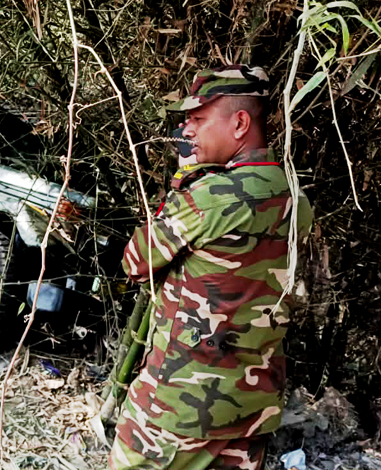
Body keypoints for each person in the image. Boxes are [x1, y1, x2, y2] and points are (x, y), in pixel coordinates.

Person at [110, 65, 314, 470]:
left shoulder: (209, 197)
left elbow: (134, 261)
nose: (187, 131)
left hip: (178, 410)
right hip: (252, 409)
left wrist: (185, 180)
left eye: (199, 120)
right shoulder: (296, 201)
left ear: (239, 123)